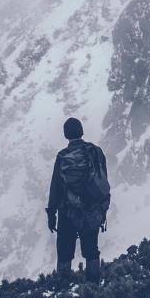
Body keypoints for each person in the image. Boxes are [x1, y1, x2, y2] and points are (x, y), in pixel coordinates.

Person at [46, 117, 110, 283]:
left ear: (66, 135)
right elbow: (103, 179)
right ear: (81, 131)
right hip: (92, 209)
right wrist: (103, 207)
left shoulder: (62, 156)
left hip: (68, 211)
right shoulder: (96, 151)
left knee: (65, 251)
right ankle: (94, 287)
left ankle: (62, 289)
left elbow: (55, 188)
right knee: (91, 250)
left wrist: (51, 214)